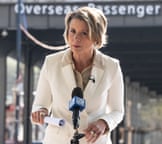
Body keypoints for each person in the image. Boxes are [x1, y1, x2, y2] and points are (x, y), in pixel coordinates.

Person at [31, 6, 124, 144]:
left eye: (84, 33)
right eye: (72, 31)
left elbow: (117, 111)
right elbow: (39, 105)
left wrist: (103, 123)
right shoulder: (51, 63)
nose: (76, 38)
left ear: (96, 37)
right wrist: (40, 112)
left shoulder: (112, 67)